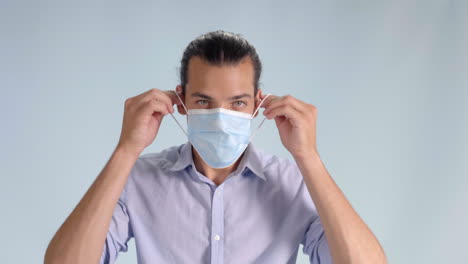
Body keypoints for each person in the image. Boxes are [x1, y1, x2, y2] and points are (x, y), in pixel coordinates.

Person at [44, 30, 387, 264]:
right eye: (204, 101)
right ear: (181, 101)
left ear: (257, 104)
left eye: (237, 103)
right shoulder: (140, 180)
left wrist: (308, 157)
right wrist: (125, 150)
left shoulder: (290, 183)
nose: (221, 117)